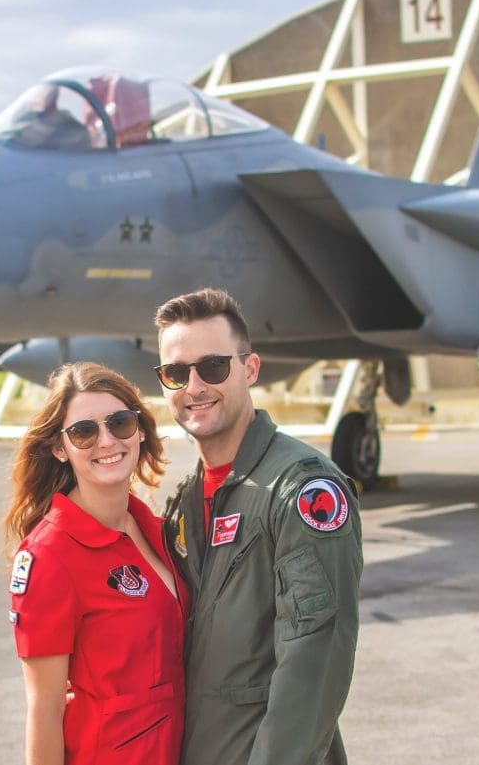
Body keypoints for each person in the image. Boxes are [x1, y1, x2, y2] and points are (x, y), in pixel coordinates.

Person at [155, 288, 363, 765]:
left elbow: (315, 659)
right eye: (175, 373)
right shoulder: (185, 502)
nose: (194, 387)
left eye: (212, 367)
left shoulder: (303, 490)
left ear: (249, 369)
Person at [1, 362, 188, 765]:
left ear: (139, 431)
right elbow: (45, 711)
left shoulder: (155, 530)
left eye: (119, 423)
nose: (106, 441)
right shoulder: (50, 556)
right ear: (59, 448)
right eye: (83, 432)